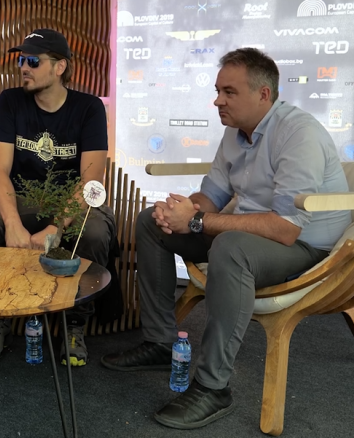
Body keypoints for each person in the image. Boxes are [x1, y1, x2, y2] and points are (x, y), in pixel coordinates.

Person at [101, 48, 351, 429]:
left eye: (229, 92)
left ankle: (213, 387)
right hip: (251, 232)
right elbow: (211, 197)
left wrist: (198, 222)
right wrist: (181, 212)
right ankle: (160, 343)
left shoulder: (299, 134)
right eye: (218, 91)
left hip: (306, 247)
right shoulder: (235, 133)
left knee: (230, 248)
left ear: (263, 94)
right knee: (151, 222)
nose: (217, 100)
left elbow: (285, 228)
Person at [0, 29, 121, 366]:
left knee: (95, 230)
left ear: (60, 66)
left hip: (70, 203)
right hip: (21, 200)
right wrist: (11, 223)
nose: (24, 66)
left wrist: (56, 227)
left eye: (33, 60)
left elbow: (91, 181)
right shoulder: (10, 101)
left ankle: (74, 323)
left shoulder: (89, 108)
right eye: (21, 60)